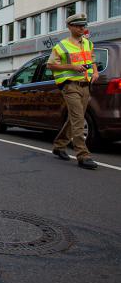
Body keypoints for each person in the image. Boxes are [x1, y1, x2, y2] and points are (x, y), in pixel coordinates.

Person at [47, 13, 99, 169]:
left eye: (84, 26)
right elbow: (50, 65)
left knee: (75, 118)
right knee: (78, 120)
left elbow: (93, 60)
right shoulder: (61, 46)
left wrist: (95, 72)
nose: (82, 28)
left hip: (85, 85)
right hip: (70, 86)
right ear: (70, 27)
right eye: (78, 26)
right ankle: (83, 155)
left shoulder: (88, 44)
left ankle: (59, 145)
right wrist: (72, 67)